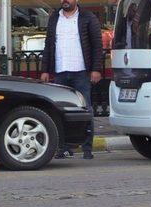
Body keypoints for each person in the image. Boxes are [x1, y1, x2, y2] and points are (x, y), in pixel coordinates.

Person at [40, 0, 103, 160]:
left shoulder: (88, 17)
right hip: (60, 71)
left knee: (85, 110)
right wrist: (45, 70)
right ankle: (64, 148)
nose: (64, 1)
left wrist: (96, 69)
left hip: (81, 72)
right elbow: (48, 45)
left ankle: (87, 148)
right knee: (60, 111)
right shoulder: (55, 18)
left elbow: (97, 45)